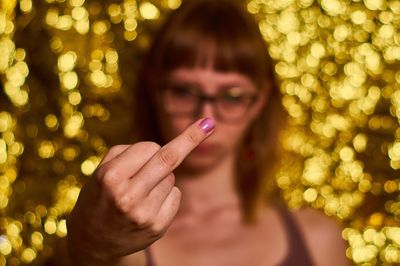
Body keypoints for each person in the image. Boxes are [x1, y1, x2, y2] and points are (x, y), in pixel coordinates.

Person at [66, 0, 350, 265]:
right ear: (154, 89)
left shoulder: (317, 239)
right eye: (184, 91)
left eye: (231, 96)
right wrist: (92, 248)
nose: (205, 118)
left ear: (259, 101)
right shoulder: (122, 240)